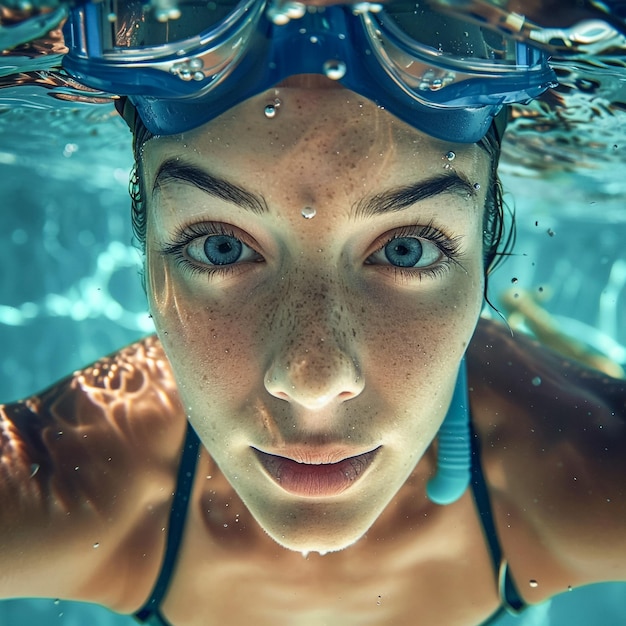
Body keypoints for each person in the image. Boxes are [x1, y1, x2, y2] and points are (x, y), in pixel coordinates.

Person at [1, 2, 625, 625]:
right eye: (221, 247)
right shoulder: (67, 476)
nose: (313, 383)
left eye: (407, 250)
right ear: (148, 256)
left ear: (485, 253)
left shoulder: (569, 460)